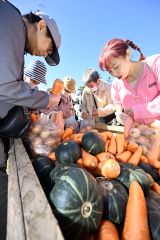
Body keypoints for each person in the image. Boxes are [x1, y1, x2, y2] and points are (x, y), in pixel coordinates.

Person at [0, 1, 61, 238]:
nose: (44, 54)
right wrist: (47, 100)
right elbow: (5, 85)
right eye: (48, 49)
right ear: (41, 25)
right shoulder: (11, 20)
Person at [99, 38, 160, 125]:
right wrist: (119, 112)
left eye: (116, 67)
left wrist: (137, 111)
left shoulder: (155, 63)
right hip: (136, 134)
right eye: (110, 71)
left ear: (127, 54)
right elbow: (118, 104)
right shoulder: (116, 84)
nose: (115, 74)